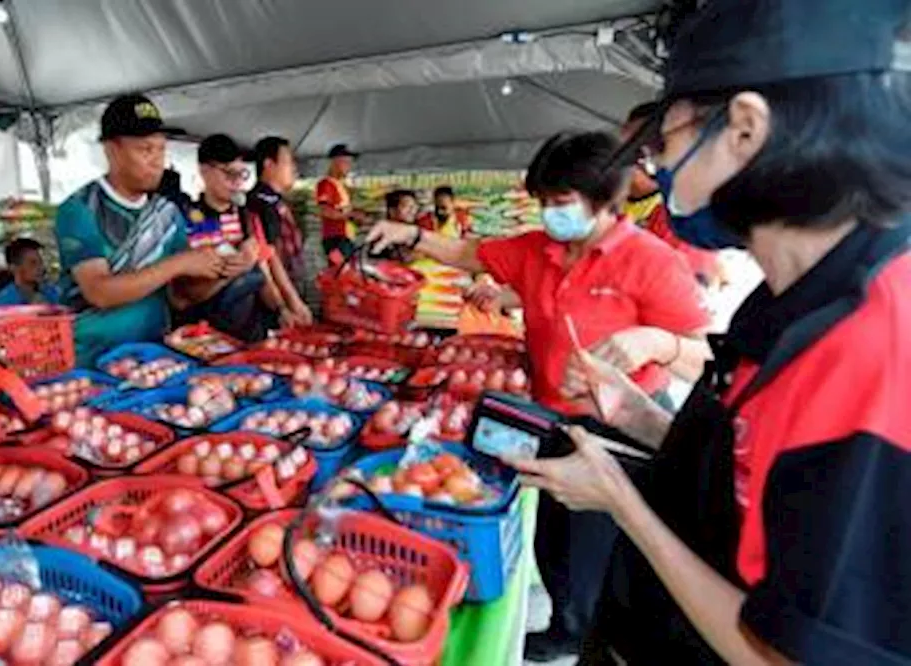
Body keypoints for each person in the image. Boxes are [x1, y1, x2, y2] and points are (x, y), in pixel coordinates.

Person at [506, 1, 911, 663]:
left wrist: (621, 502)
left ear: (745, 130)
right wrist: (641, 418)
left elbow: (790, 652)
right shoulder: (788, 300)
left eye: (662, 145)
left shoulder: (879, 343)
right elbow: (754, 484)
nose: (655, 173)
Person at [368, 130, 711, 661]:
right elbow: (464, 251)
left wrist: (657, 342)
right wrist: (408, 235)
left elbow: (704, 356)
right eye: (543, 202)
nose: (549, 213)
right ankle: (565, 622)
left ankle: (582, 635)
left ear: (604, 199)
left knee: (596, 549)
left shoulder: (652, 261)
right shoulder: (538, 249)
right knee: (553, 539)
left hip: (623, 425)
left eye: (561, 202)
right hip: (550, 418)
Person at [51, 94, 229, 366]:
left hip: (153, 359)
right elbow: (100, 292)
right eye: (146, 150)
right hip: (92, 364)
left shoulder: (168, 214)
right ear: (112, 150)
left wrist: (226, 271)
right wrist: (180, 262)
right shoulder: (79, 210)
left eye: (161, 150)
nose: (157, 161)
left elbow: (182, 297)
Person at [179, 134, 311, 338]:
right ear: (204, 171)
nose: (237, 183)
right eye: (229, 174)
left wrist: (281, 310)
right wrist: (232, 269)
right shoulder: (185, 220)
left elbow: (264, 271)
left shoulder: (247, 216)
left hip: (248, 327)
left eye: (242, 174)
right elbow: (183, 295)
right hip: (203, 335)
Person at [621, 102, 723, 288]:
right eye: (625, 145)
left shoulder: (682, 218)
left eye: (646, 146)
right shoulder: (603, 199)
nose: (629, 156)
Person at [246, 136, 308, 291]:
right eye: (288, 162)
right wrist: (287, 303)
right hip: (278, 292)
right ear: (269, 164)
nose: (294, 168)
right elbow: (270, 257)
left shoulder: (275, 200)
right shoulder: (260, 203)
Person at [316, 143, 366, 260]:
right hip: (336, 239)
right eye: (346, 162)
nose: (349, 167)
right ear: (335, 162)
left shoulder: (341, 185)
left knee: (350, 273)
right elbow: (325, 211)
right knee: (341, 274)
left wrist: (356, 217)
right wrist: (350, 215)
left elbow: (342, 211)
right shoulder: (326, 184)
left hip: (347, 237)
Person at [0, 238, 61, 306]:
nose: (41, 268)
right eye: (33, 263)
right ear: (14, 268)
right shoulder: (0, 304)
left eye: (41, 262)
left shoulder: (54, 294)